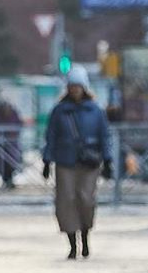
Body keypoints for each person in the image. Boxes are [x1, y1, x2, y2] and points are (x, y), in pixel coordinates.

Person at [42, 79, 114, 259]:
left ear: (84, 88)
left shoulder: (95, 110)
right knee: (66, 201)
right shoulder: (59, 111)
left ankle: (85, 237)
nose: (75, 90)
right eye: (72, 86)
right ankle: (73, 244)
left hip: (89, 162)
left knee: (86, 199)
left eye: (78, 86)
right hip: (65, 161)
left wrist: (108, 160)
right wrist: (46, 160)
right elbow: (51, 136)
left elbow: (104, 136)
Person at [0, 96, 24, 190]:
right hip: (1, 145)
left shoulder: (14, 115)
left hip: (12, 144)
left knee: (12, 162)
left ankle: (9, 180)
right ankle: (6, 180)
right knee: (2, 163)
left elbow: (18, 125)